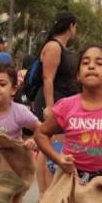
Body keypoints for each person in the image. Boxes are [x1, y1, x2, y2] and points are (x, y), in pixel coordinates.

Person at [35, 45, 102, 192]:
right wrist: (58, 158)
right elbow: (40, 133)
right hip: (68, 179)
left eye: (99, 63)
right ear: (78, 75)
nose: (91, 66)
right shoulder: (66, 106)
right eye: (85, 62)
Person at [32, 12, 79, 193]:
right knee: (47, 146)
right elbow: (48, 78)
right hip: (51, 99)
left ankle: (48, 191)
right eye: (75, 26)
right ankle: (44, 192)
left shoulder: (63, 48)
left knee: (52, 146)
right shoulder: (53, 46)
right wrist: (50, 106)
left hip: (62, 100)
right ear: (71, 26)